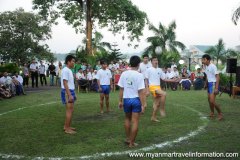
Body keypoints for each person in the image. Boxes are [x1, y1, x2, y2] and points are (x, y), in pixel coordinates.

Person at [118, 56, 145, 148]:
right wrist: (143, 104)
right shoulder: (139, 75)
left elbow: (121, 89)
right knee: (135, 122)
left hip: (126, 99)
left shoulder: (124, 74)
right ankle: (131, 143)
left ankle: (128, 138)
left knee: (127, 119)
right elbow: (141, 91)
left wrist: (120, 101)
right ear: (138, 64)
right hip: (136, 99)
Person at [145, 57, 178, 122]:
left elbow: (164, 79)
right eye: (154, 60)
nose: (156, 61)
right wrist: (147, 90)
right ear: (151, 62)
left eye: (156, 60)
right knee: (164, 93)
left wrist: (173, 80)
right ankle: (162, 109)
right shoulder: (148, 69)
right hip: (152, 87)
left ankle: (153, 117)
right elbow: (146, 80)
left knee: (156, 104)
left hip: (158, 87)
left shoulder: (159, 70)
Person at [202, 54, 223, 121]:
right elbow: (207, 76)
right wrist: (205, 84)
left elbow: (217, 76)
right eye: (202, 59)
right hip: (209, 84)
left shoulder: (213, 66)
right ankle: (212, 112)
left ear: (208, 60)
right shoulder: (206, 67)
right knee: (209, 100)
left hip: (213, 84)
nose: (203, 61)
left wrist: (216, 88)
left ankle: (220, 113)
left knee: (212, 101)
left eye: (204, 59)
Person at [61, 55, 77, 134]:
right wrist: (69, 94)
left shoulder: (69, 70)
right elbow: (65, 82)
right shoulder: (65, 70)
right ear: (68, 62)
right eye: (73, 61)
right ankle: (67, 129)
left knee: (71, 110)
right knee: (69, 110)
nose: (74, 63)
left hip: (70, 91)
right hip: (68, 91)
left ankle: (67, 126)